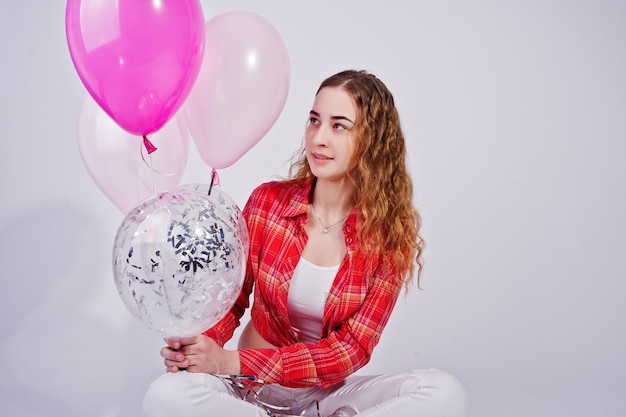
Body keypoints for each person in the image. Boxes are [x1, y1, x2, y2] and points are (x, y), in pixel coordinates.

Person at [142, 69, 468, 417]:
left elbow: (352, 349)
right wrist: (201, 349)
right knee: (164, 396)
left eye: (338, 125)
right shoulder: (268, 202)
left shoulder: (389, 234)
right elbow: (232, 300)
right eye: (314, 121)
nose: (319, 138)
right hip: (250, 388)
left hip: (325, 397)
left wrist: (229, 360)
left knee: (444, 394)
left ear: (372, 140)